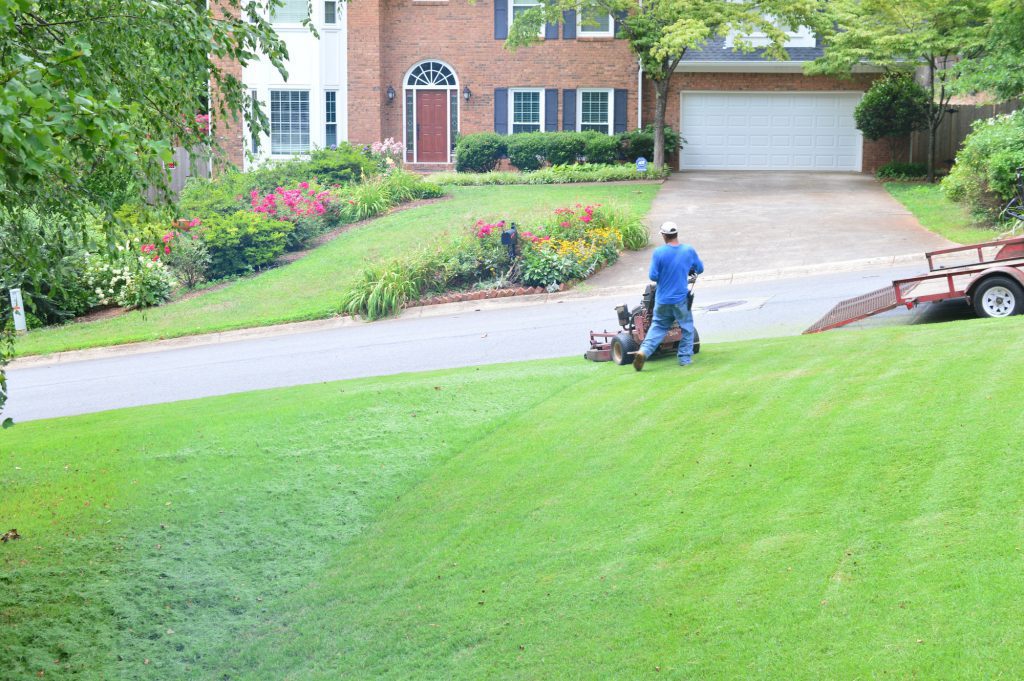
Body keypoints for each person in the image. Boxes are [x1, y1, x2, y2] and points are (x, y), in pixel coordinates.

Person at [633, 221, 704, 371]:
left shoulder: (658, 253)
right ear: (676, 234)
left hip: (662, 300)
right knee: (687, 327)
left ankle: (643, 352)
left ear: (664, 236)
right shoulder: (688, 250)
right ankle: (684, 358)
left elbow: (653, 276)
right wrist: (687, 268)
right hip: (680, 299)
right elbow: (700, 268)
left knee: (658, 327)